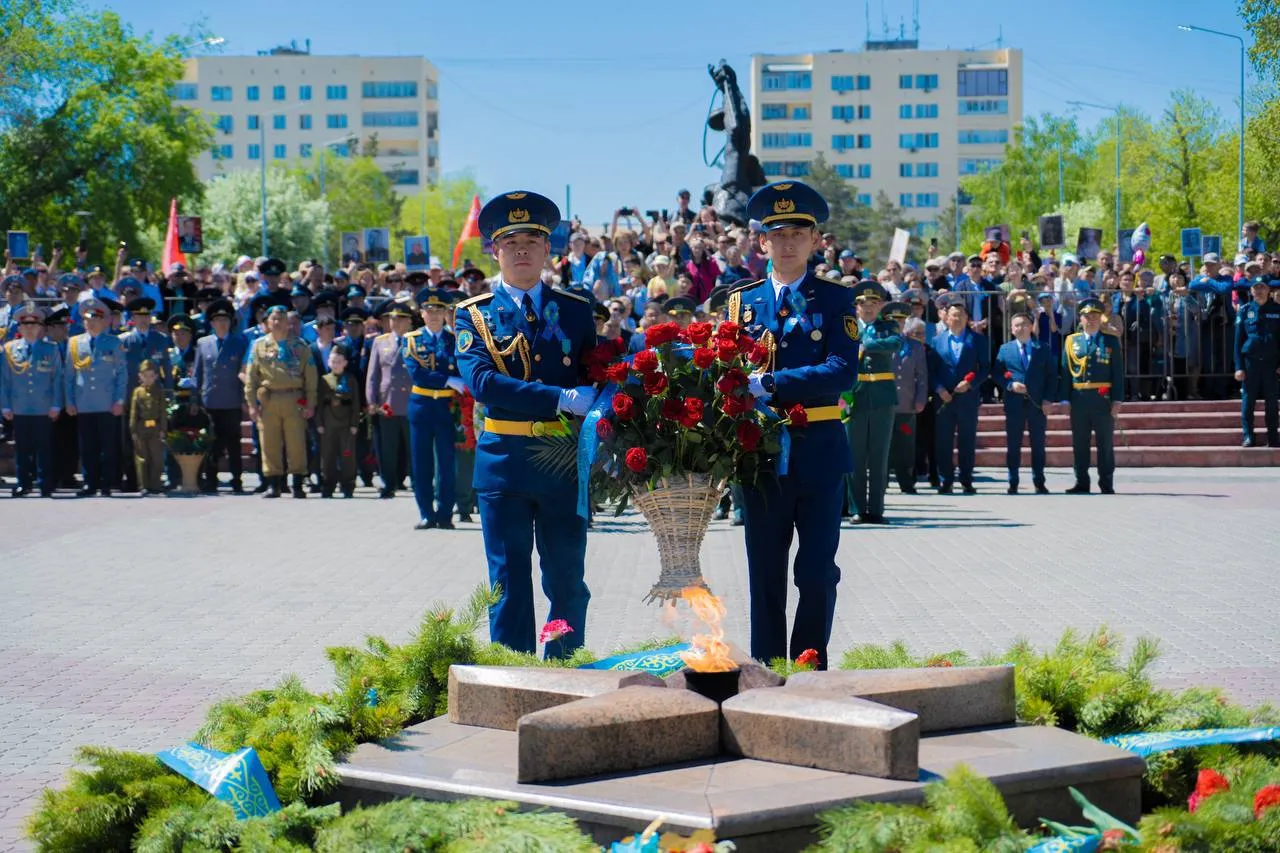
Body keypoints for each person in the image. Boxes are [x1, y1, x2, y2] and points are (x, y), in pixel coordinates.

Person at [454, 190, 597, 658]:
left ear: (548, 249)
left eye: (532, 241)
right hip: (504, 465)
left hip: (561, 463)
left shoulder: (575, 310)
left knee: (566, 581)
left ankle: (562, 673)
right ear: (494, 250)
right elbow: (483, 383)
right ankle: (512, 678)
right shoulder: (472, 314)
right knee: (508, 583)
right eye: (510, 241)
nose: (521, 251)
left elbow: (596, 377)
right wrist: (559, 398)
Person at [727, 180, 859, 669]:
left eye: (798, 233)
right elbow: (726, 375)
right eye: (776, 234)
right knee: (764, 570)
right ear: (761, 242)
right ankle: (764, 670)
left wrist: (772, 383)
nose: (787, 243)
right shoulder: (741, 304)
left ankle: (807, 667)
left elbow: (843, 371)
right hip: (758, 454)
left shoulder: (835, 300)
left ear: (815, 240)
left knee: (818, 570)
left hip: (819, 448)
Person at [405, 286, 465, 529]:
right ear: (421, 314)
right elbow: (416, 373)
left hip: (446, 406)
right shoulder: (412, 340)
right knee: (422, 462)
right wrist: (447, 379)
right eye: (429, 311)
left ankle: (445, 513)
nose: (434, 315)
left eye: (438, 310)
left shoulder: (454, 341)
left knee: (447, 462)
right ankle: (426, 513)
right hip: (421, 405)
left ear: (445, 313)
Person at [244, 305, 318, 499]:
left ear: (288, 323)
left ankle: (297, 484)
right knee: (269, 443)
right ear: (267, 323)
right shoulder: (259, 346)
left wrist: (310, 403)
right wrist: (252, 404)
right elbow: (251, 377)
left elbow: (310, 377)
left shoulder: (300, 346)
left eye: (281, 319)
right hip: (268, 400)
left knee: (296, 443)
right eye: (273, 319)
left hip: (294, 399)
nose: (277, 322)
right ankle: (274, 484)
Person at [845, 282, 902, 524]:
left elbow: (895, 344)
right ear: (856, 307)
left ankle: (876, 510)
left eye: (872, 304)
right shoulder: (847, 328)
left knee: (879, 455)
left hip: (882, 397)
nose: (867, 309)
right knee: (855, 456)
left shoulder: (888, 326)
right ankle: (857, 508)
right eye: (862, 304)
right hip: (854, 398)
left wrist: (866, 345)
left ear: (880, 306)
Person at [1059, 298, 1125, 494]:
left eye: (1095, 316)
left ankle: (1106, 482)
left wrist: (1117, 400)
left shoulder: (1110, 340)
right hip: (1079, 398)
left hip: (1102, 399)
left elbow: (1117, 373)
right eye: (1088, 316)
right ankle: (1081, 482)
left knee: (1104, 443)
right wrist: (1065, 399)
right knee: (1080, 443)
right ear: (1081, 318)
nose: (1092, 320)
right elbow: (1065, 373)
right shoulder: (1072, 341)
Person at [65, 298, 127, 496]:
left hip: (107, 403)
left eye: (96, 319)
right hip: (84, 403)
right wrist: (69, 401)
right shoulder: (74, 343)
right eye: (87, 319)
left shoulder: (114, 342)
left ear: (104, 321)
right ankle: (89, 483)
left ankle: (107, 483)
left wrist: (119, 401)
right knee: (87, 447)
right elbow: (68, 376)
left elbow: (122, 375)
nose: (91, 323)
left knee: (108, 447)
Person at [927, 300, 990, 494]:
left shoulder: (977, 340)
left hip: (967, 398)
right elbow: (930, 371)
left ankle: (966, 479)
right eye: (954, 314)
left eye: (962, 315)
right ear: (946, 317)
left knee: (967, 440)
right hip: (944, 399)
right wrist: (938, 389)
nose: (958, 318)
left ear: (967, 318)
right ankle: (945, 480)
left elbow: (985, 368)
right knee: (943, 441)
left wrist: (970, 384)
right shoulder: (937, 341)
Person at [0, 305, 62, 497]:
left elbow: (57, 378)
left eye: (33, 324)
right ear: (19, 328)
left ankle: (45, 483)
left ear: (40, 327)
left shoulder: (51, 349)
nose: (29, 328)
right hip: (19, 406)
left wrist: (56, 404)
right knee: (22, 448)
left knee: (44, 447)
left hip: (43, 407)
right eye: (25, 324)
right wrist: (6, 405)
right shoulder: (10, 349)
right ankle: (23, 483)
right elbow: (5, 380)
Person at [995, 312, 1058, 494]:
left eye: (1024, 324)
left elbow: (1052, 376)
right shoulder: (1004, 349)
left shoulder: (1043, 348)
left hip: (1037, 405)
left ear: (1031, 327)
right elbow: (997, 374)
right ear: (1011, 329)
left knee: (1038, 444)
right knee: (1013, 444)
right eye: (1016, 325)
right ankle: (1013, 480)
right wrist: (1009, 385)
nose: (1020, 328)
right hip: (1014, 404)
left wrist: (1048, 399)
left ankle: (1039, 480)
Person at [193, 299, 248, 493]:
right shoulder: (203, 343)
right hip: (210, 400)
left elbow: (244, 371)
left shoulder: (240, 342)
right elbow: (198, 374)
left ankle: (237, 480)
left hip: (232, 400)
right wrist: (195, 399)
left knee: (233, 443)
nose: (222, 324)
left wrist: (244, 400)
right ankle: (211, 479)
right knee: (212, 443)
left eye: (225, 320)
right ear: (212, 323)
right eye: (218, 320)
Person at [117, 295, 170, 491]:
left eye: (146, 316)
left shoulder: (161, 339)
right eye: (139, 316)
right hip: (130, 397)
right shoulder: (124, 340)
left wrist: (169, 395)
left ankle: (153, 481)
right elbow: (119, 371)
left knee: (155, 443)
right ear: (132, 318)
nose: (143, 320)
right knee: (131, 440)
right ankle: (133, 480)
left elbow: (167, 367)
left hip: (154, 400)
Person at [365, 300, 415, 498]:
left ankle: (416, 481)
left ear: (409, 321)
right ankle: (388, 483)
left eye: (400, 318)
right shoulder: (380, 341)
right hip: (388, 402)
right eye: (392, 318)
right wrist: (371, 400)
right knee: (388, 447)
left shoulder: (414, 339)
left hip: (411, 401)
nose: (395, 322)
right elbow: (373, 374)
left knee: (413, 447)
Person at [1234, 278, 1280, 447]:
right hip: (1250, 363)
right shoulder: (1245, 310)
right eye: (1256, 288)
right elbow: (1238, 341)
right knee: (1248, 401)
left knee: (1272, 401)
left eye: (1262, 287)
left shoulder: (1277, 310)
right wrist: (1239, 367)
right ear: (1251, 291)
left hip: (1271, 363)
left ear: (1268, 290)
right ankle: (1248, 435)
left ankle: (1273, 436)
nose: (1259, 290)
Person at [888, 310, 927, 495]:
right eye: (894, 321)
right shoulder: (882, 342)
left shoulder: (916, 346)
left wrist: (920, 399)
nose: (898, 324)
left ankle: (906, 482)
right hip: (885, 404)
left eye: (901, 321)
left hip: (907, 403)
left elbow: (922, 376)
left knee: (905, 445)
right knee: (885, 445)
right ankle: (883, 482)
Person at [317, 343, 362, 497]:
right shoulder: (324, 380)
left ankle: (348, 485)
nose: (336, 365)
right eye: (333, 362)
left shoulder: (350, 380)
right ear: (329, 363)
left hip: (346, 425)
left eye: (339, 362)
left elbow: (356, 403)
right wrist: (319, 423)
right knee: (328, 456)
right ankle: (328, 485)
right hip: (329, 424)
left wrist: (355, 423)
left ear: (345, 363)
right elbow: (319, 404)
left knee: (348, 456)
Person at [129, 359, 167, 495]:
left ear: (156, 376)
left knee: (156, 457)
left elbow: (163, 412)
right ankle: (143, 486)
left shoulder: (159, 391)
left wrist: (163, 429)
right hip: (141, 428)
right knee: (142, 457)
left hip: (155, 428)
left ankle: (155, 484)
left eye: (151, 376)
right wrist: (133, 429)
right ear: (140, 376)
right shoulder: (138, 392)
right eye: (145, 376)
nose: (148, 379)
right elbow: (134, 412)